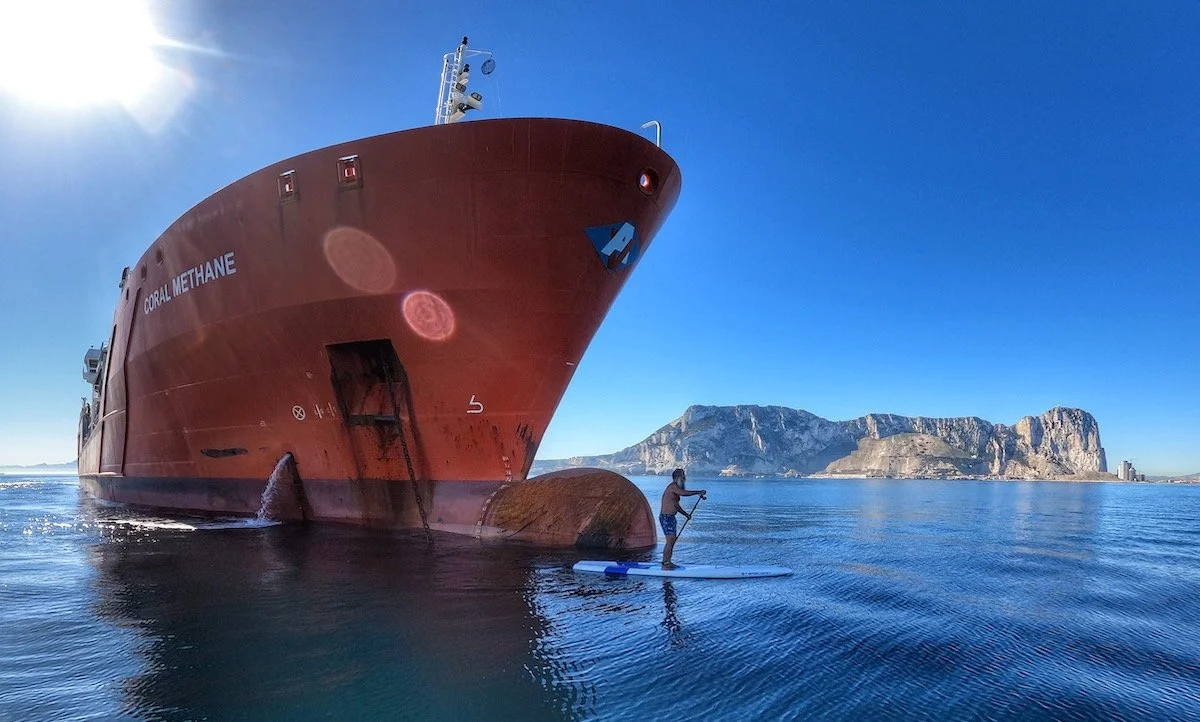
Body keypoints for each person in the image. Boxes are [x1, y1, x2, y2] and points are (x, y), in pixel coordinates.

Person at [659, 468, 706, 570]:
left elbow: (676, 506)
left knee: (672, 540)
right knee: (670, 540)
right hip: (666, 517)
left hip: (671, 517)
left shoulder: (675, 490)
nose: (685, 478)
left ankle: (667, 562)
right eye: (683, 475)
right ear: (677, 477)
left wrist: (686, 514)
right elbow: (683, 493)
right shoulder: (673, 487)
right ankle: (665, 563)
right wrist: (698, 492)